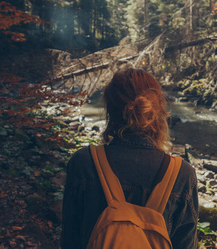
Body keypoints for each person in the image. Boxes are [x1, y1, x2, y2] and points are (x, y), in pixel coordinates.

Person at [61, 68, 199, 249]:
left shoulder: (83, 162)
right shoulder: (182, 174)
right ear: (156, 111)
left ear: (110, 111)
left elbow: (70, 241)